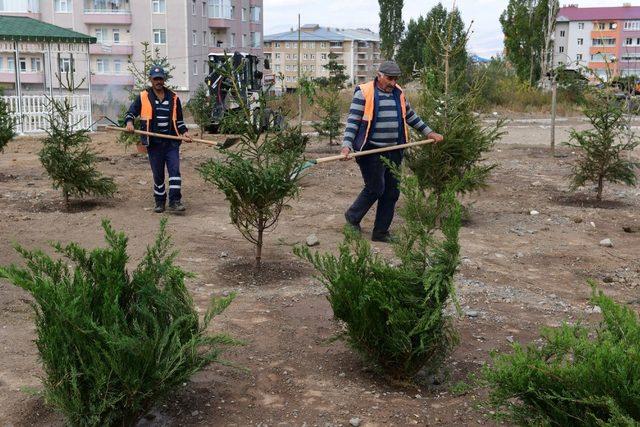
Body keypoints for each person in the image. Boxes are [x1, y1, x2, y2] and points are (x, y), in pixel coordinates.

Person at [341, 60, 444, 242]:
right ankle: (352, 217)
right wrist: (346, 145)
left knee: (392, 192)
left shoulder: (399, 93)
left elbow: (410, 115)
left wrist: (429, 132)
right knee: (375, 188)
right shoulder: (364, 92)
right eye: (389, 78)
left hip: (395, 149)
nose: (393, 83)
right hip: (370, 150)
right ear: (380, 75)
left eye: (395, 79)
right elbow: (353, 121)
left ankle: (381, 232)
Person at [125, 66, 192, 213]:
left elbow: (179, 121)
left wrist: (185, 132)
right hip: (153, 143)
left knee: (175, 171)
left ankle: (175, 201)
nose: (158, 81)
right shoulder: (143, 96)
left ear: (164, 79)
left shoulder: (174, 98)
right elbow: (131, 113)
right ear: (151, 80)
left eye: (161, 78)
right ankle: (160, 202)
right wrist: (129, 123)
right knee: (158, 174)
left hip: (171, 142)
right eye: (156, 79)